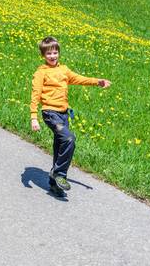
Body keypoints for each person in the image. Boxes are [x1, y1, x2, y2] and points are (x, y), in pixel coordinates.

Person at [29, 36, 111, 197]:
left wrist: (97, 81)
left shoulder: (64, 70)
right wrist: (33, 117)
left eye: (55, 52)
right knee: (69, 139)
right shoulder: (41, 72)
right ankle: (59, 174)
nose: (52, 56)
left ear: (59, 53)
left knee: (60, 146)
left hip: (63, 113)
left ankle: (54, 185)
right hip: (49, 113)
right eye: (49, 54)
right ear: (43, 55)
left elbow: (79, 79)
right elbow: (35, 94)